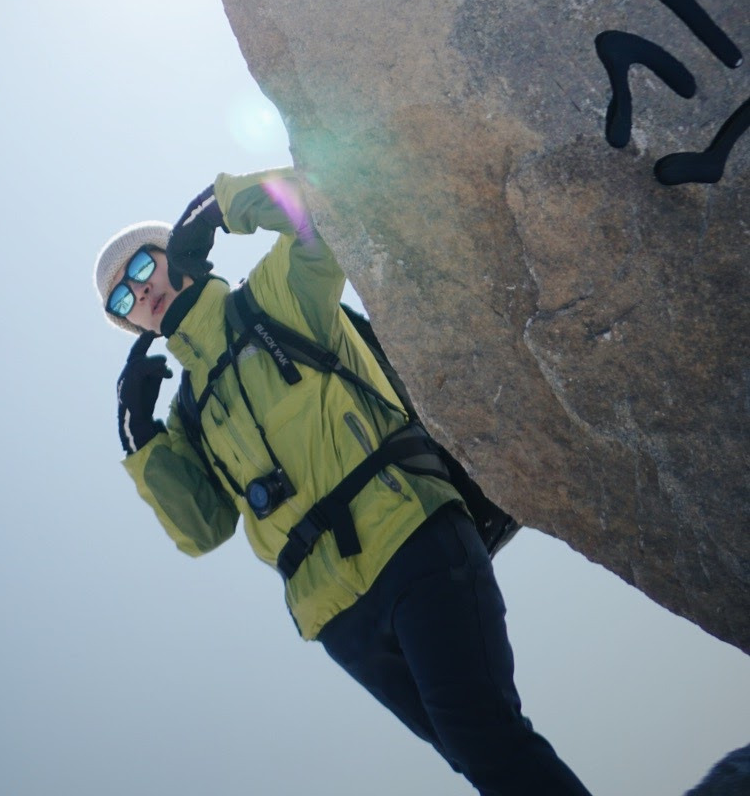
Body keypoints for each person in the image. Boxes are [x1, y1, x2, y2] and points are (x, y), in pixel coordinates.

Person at [93, 167, 593, 796]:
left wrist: (222, 206)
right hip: (337, 615)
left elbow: (325, 208)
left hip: (409, 535)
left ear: (175, 251)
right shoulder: (187, 418)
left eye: (143, 266)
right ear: (131, 326)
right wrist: (143, 443)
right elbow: (203, 529)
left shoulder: (272, 297)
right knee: (479, 757)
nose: (140, 292)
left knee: (486, 740)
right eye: (122, 301)